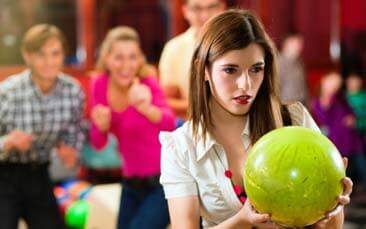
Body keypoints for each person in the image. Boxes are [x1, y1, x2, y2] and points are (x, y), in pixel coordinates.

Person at [159, 10, 352, 228]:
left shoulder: (294, 120)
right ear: (203, 70)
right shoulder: (180, 146)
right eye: (231, 70)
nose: (246, 85)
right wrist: (241, 221)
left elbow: (333, 226)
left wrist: (333, 203)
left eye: (256, 69)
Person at [89, 26, 176, 229]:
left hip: (164, 183)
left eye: (133, 57)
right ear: (107, 59)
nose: (126, 65)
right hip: (130, 182)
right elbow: (98, 143)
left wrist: (146, 108)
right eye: (119, 57)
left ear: (140, 59)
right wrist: (100, 127)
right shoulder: (99, 85)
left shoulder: (147, 82)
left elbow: (170, 123)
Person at [0, 24, 85, 229]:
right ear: (27, 56)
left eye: (55, 54)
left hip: (39, 175)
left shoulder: (73, 91)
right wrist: (7, 142)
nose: (49, 62)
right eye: (41, 55)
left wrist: (71, 153)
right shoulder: (8, 92)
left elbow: (75, 135)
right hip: (4, 177)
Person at [159, 0, 226, 118]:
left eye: (211, 7)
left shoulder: (241, 43)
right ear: (185, 11)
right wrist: (205, 107)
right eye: (197, 8)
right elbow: (166, 100)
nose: (205, 15)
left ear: (222, 7)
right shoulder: (174, 48)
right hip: (194, 126)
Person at [312, 72, 366, 191]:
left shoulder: (340, 98)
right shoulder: (317, 102)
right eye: (332, 83)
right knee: (343, 170)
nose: (334, 87)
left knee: (360, 165)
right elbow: (323, 120)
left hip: (351, 138)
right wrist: (326, 103)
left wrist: (353, 118)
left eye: (337, 85)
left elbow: (351, 112)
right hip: (337, 141)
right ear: (324, 82)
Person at [278, 32, 309, 106]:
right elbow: (274, 90)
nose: (297, 47)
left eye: (299, 44)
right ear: (285, 44)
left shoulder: (300, 63)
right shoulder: (278, 63)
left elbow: (304, 88)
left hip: (300, 105)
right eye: (294, 43)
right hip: (286, 105)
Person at [345, 73, 366, 144]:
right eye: (351, 81)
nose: (353, 84)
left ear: (360, 83)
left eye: (356, 81)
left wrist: (356, 123)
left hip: (361, 133)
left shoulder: (364, 96)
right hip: (344, 134)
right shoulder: (341, 97)